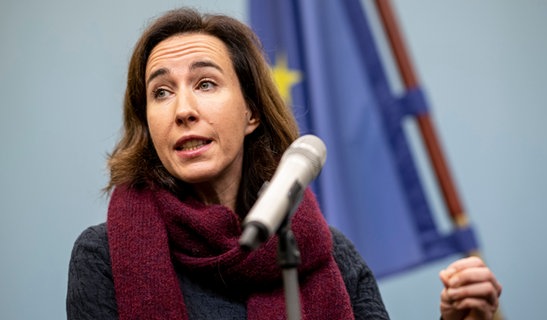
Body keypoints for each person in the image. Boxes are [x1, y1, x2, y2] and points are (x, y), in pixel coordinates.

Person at [66, 7, 501, 320]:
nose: (183, 109)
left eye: (205, 83)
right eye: (161, 92)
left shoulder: (326, 251)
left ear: (252, 113)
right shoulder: (101, 255)